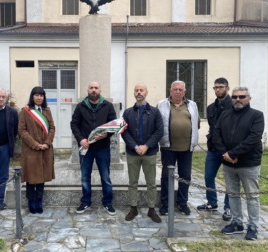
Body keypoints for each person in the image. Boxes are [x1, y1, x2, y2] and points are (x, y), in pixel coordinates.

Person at [214, 86, 264, 241]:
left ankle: (253, 226)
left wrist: (234, 153)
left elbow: (253, 138)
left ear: (249, 98)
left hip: (248, 164)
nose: (238, 100)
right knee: (233, 195)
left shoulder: (256, 115)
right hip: (229, 164)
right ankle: (237, 223)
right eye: (235, 97)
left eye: (242, 97)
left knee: (252, 196)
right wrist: (226, 154)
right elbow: (216, 135)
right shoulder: (225, 114)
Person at [71, 81, 117, 215]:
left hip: (103, 148)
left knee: (105, 177)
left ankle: (107, 203)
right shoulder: (81, 107)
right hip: (86, 148)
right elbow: (74, 124)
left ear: (100, 90)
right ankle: (85, 202)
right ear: (87, 90)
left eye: (96, 88)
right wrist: (81, 139)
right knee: (85, 177)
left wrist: (106, 134)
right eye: (91, 88)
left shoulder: (107, 106)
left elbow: (113, 124)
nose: (93, 90)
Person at [121, 83, 163, 223]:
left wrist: (146, 146)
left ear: (146, 92)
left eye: (141, 90)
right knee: (133, 182)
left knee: (151, 183)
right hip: (133, 154)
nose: (139, 92)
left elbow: (159, 131)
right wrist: (135, 147)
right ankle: (133, 208)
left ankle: (152, 209)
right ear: (134, 93)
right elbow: (124, 132)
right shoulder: (127, 112)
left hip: (149, 153)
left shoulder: (155, 112)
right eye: (136, 90)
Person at [157, 80, 199, 216]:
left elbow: (196, 124)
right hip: (168, 146)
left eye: (181, 90)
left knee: (185, 176)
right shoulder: (161, 104)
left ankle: (182, 203)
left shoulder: (192, 105)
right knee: (166, 176)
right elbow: (157, 124)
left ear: (185, 92)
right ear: (170, 91)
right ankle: (165, 204)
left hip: (186, 148)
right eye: (175, 89)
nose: (178, 92)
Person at [197, 78, 233, 221]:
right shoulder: (211, 108)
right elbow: (213, 128)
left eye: (221, 87)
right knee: (208, 176)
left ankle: (229, 207)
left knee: (229, 180)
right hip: (213, 148)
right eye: (215, 87)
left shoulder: (233, 106)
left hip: (228, 149)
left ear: (227, 88)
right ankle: (212, 202)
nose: (218, 89)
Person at [19, 86, 56, 214]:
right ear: (32, 96)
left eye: (41, 95)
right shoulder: (25, 111)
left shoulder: (47, 111)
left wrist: (47, 143)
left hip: (45, 150)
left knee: (41, 178)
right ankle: (31, 202)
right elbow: (22, 131)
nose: (39, 97)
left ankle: (39, 201)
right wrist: (36, 144)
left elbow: (52, 128)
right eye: (36, 95)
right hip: (31, 151)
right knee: (31, 178)